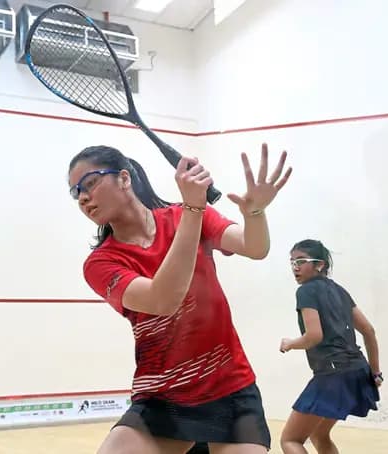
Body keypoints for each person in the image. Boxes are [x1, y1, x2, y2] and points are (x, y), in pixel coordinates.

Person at [67, 143, 292, 454]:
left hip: (229, 389)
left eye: (89, 183)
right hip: (163, 399)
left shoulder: (183, 216)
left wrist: (254, 212)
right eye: (75, 192)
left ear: (124, 178)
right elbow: (163, 300)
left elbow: (255, 248)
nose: (82, 197)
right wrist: (193, 210)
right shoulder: (101, 264)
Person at [279, 240, 382, 454]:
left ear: (320, 265)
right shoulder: (340, 291)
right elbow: (369, 331)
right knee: (319, 434)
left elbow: (314, 336)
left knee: (291, 440)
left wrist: (291, 343)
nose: (295, 267)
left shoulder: (306, 291)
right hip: (357, 371)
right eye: (292, 262)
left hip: (333, 375)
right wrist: (375, 373)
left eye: (301, 261)